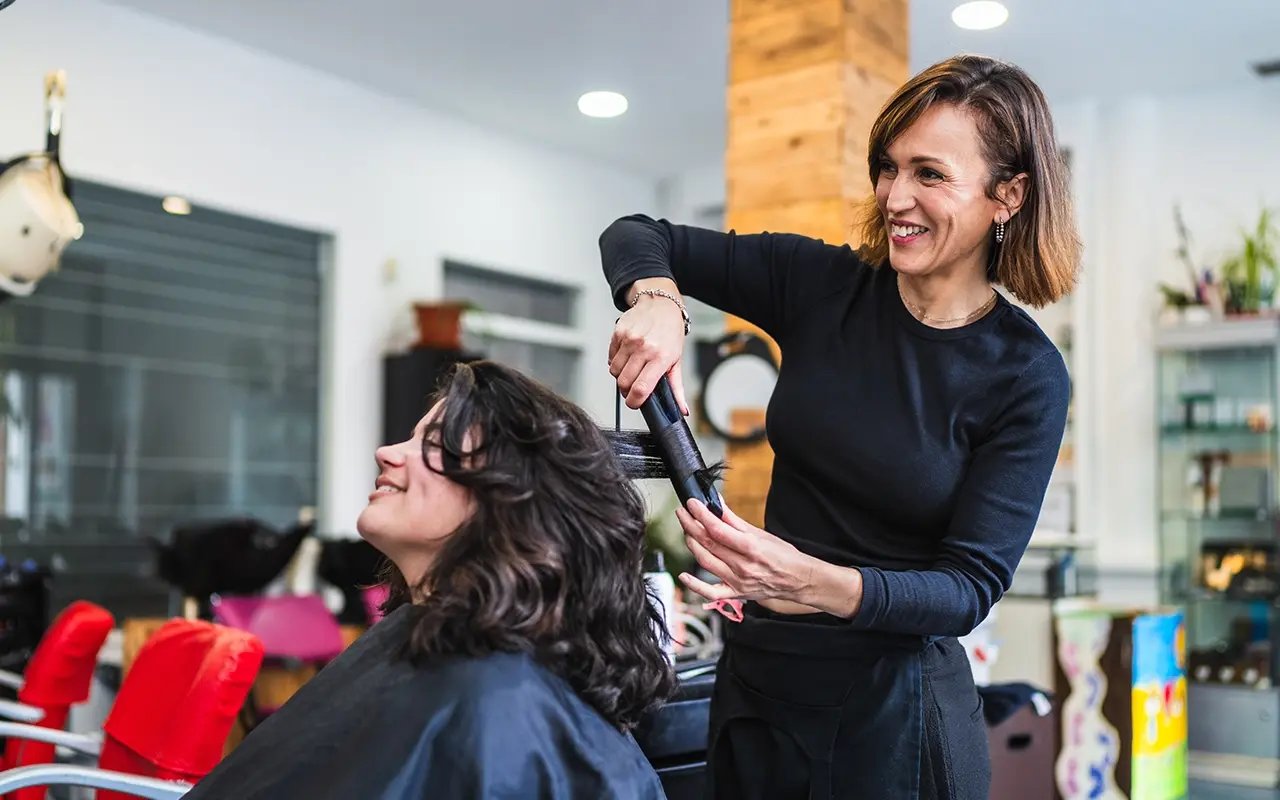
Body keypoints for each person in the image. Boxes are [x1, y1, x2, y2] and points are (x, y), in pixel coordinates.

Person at [601, 54, 1078, 799]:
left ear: (1007, 195)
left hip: (894, 720)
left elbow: (967, 588)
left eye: (929, 173)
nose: (895, 196)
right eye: (888, 168)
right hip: (760, 689)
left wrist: (815, 583)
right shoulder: (823, 286)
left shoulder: (1026, 375)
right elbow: (635, 233)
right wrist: (659, 300)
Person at [184, 360, 676, 800]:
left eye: (434, 444)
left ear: (510, 503)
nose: (387, 452)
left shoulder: (499, 705)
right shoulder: (424, 649)